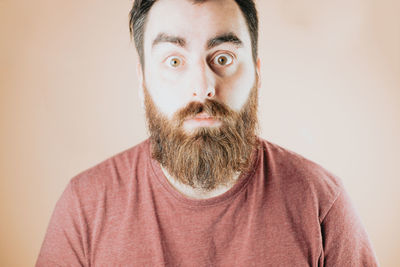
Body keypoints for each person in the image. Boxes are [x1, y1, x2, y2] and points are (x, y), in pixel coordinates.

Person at [36, 0, 379, 266]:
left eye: (224, 58)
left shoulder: (322, 203)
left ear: (256, 74)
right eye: (174, 61)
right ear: (143, 82)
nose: (202, 88)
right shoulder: (85, 206)